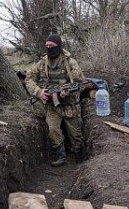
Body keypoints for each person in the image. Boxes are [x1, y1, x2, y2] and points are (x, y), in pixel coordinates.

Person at [25, 34, 85, 167]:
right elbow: (29, 78)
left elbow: (81, 84)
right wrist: (38, 92)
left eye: (51, 46)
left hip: (70, 105)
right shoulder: (42, 63)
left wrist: (68, 91)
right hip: (52, 106)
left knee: (76, 136)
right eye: (47, 46)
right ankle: (60, 156)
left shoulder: (70, 63)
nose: (49, 49)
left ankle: (80, 160)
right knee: (53, 130)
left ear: (59, 47)